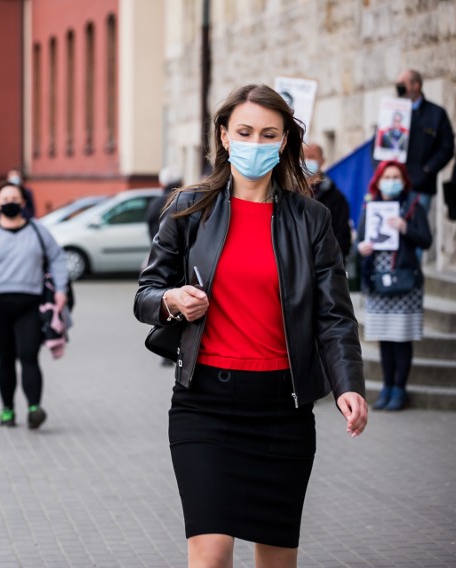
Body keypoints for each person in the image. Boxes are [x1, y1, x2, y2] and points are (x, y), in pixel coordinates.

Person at [134, 84, 368, 568]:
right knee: (212, 553)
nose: (255, 143)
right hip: (204, 405)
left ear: (283, 142)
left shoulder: (312, 220)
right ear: (223, 135)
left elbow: (334, 315)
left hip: (282, 411)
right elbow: (146, 295)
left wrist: (348, 384)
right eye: (244, 132)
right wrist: (173, 300)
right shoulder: (187, 209)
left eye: (268, 134)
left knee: (277, 559)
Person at [0, 181, 68, 429]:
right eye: (5, 198)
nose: (10, 202)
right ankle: (7, 409)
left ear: (23, 203)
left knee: (29, 355)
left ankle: (34, 408)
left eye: (15, 198)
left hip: (29, 303)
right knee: (6, 358)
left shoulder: (38, 231)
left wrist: (61, 290)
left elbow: (57, 259)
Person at [356, 160, 431, 411]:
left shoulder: (412, 206)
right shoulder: (371, 207)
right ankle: (387, 388)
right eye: (386, 176)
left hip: (405, 285)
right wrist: (361, 249)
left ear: (403, 180)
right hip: (378, 283)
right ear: (378, 180)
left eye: (395, 176)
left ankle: (400, 389)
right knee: (385, 340)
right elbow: (361, 241)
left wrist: (405, 227)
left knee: (401, 339)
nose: (391, 180)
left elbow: (426, 240)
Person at [393, 69, 455, 214]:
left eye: (403, 84)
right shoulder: (392, 112)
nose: (399, 88)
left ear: (416, 85)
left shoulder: (436, 113)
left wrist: (428, 169)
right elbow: (379, 143)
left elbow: (447, 146)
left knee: (416, 229)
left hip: (421, 185)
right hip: (394, 182)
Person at [304, 143, 352, 257]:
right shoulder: (288, 193)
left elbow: (342, 237)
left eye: (311, 157)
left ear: (322, 160)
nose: (306, 161)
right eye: (302, 157)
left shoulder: (335, 197)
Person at [146, 165, 184, 241]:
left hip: (163, 249)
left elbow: (152, 231)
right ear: (181, 183)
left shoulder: (156, 204)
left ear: (162, 184)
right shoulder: (189, 201)